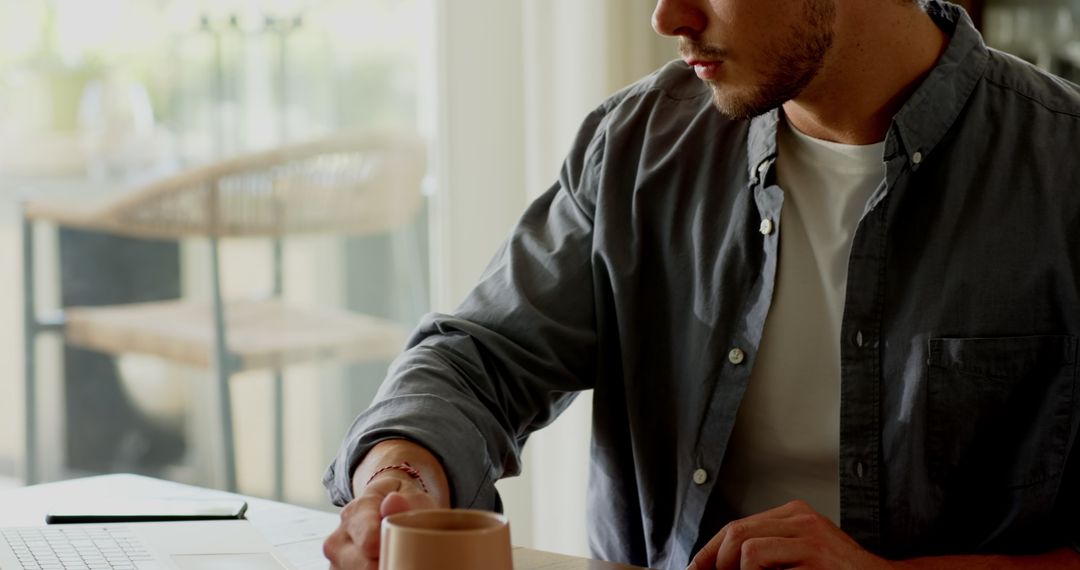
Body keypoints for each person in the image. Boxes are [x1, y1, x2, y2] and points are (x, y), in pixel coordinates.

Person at [322, 0, 1080, 568]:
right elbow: (479, 360)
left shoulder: (1062, 173)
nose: (666, 16)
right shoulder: (637, 147)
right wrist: (399, 474)